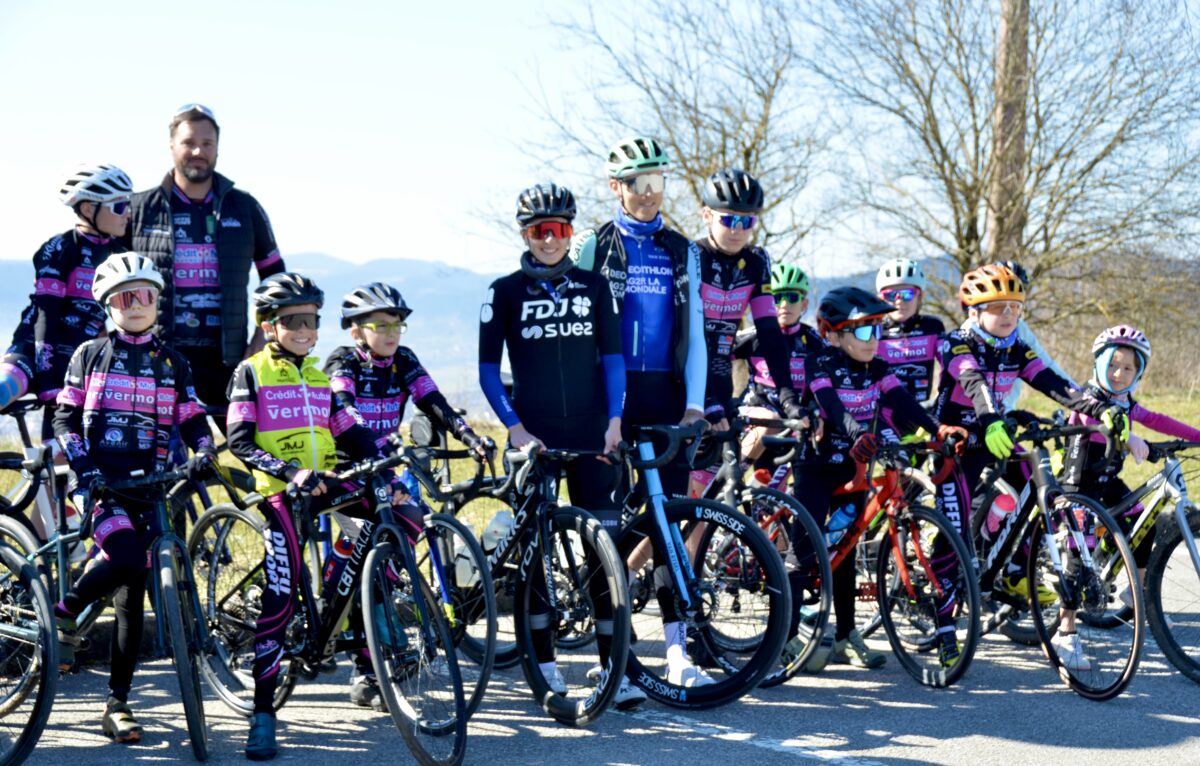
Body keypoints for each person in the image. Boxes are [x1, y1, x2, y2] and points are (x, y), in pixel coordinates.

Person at [226, 272, 406, 760]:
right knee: (281, 597)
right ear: (268, 326)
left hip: (325, 483)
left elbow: (348, 430)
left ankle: (343, 601)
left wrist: (385, 460)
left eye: (313, 321)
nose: (306, 331)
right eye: (295, 322)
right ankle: (263, 714)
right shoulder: (251, 373)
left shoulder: (318, 376)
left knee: (401, 518)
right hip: (281, 493)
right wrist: (288, 472)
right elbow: (239, 442)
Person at [478, 182, 644, 708]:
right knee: (538, 560)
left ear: (572, 233)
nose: (550, 240)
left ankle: (614, 671)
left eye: (561, 230)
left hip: (594, 433)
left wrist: (615, 420)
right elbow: (486, 370)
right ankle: (545, 667)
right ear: (525, 233)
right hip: (536, 435)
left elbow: (613, 359)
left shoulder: (595, 287)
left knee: (604, 558)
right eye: (539, 231)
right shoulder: (503, 292)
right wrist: (514, 427)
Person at [52, 254, 217, 743]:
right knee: (125, 555)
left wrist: (204, 450)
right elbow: (64, 419)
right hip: (99, 483)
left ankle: (117, 704)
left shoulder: (174, 361)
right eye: (126, 297)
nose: (137, 304)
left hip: (152, 487)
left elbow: (191, 417)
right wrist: (84, 467)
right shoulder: (89, 353)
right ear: (108, 305)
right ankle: (64, 615)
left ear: (158, 301)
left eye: (146, 294)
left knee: (134, 590)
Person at [571, 138, 712, 687]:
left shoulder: (683, 249)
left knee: (668, 526)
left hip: (665, 396)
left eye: (657, 183)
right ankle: (611, 660)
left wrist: (696, 403)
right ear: (616, 188)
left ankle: (678, 656)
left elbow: (695, 333)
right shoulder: (593, 246)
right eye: (638, 184)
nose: (650, 195)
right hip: (608, 398)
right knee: (604, 528)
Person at [324, 281, 489, 709]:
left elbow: (431, 399)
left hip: (385, 473)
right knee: (350, 566)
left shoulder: (404, 360)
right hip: (347, 472)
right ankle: (361, 663)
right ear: (357, 331)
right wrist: (377, 446)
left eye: (397, 324)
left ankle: (382, 643)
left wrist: (468, 435)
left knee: (401, 537)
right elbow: (342, 405)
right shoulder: (343, 360)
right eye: (380, 325)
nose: (391, 332)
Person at [932, 264, 1125, 615]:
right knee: (954, 527)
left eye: (1015, 307)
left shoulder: (1017, 349)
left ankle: (1016, 571)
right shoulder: (954, 344)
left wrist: (1100, 409)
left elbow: (1055, 385)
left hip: (999, 433)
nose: (1009, 314)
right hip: (959, 441)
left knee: (1039, 490)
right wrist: (991, 421)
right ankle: (941, 598)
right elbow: (974, 383)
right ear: (974, 311)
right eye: (997, 307)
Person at [793, 287, 965, 671]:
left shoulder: (879, 368)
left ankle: (846, 637)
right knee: (803, 557)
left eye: (878, 329)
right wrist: (856, 432)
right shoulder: (819, 361)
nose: (876, 340)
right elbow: (831, 406)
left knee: (846, 554)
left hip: (853, 468)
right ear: (835, 334)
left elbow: (903, 404)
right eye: (865, 331)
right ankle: (785, 636)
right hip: (816, 468)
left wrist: (938, 431)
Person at [123, 103, 287, 424]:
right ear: (172, 146)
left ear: (217, 148)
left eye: (207, 143)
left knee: (254, 453)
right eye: (188, 142)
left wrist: (260, 339)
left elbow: (277, 282)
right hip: (157, 356)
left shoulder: (245, 207)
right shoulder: (139, 208)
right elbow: (102, 281)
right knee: (163, 465)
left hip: (227, 360)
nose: (198, 150)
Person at [1060, 326, 1200, 615]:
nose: (1118, 373)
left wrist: (1197, 436)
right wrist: (1128, 438)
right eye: (1111, 364)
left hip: (1108, 481)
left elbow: (1157, 419)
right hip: (1080, 484)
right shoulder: (1088, 397)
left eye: (1127, 368)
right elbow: (1089, 420)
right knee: (1079, 554)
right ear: (1098, 362)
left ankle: (1135, 592)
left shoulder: (1126, 402)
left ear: (1138, 373)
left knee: (1142, 525)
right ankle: (1065, 629)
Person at [1, 164, 133, 422]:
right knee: (4, 387)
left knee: (62, 454)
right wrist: (47, 378)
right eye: (119, 206)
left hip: (76, 361)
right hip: (33, 350)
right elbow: (45, 317)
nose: (126, 214)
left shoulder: (120, 255)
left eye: (128, 205)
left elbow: (101, 322)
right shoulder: (61, 248)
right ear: (87, 208)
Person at [983, 260, 1077, 410]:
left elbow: (1047, 367)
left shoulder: (1020, 329)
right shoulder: (970, 333)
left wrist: (1084, 399)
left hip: (1006, 413)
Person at [875, 258, 944, 404]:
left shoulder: (932, 327)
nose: (899, 301)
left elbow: (952, 366)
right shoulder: (874, 330)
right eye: (891, 295)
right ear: (881, 299)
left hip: (923, 410)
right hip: (884, 414)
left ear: (919, 296)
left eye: (907, 294)